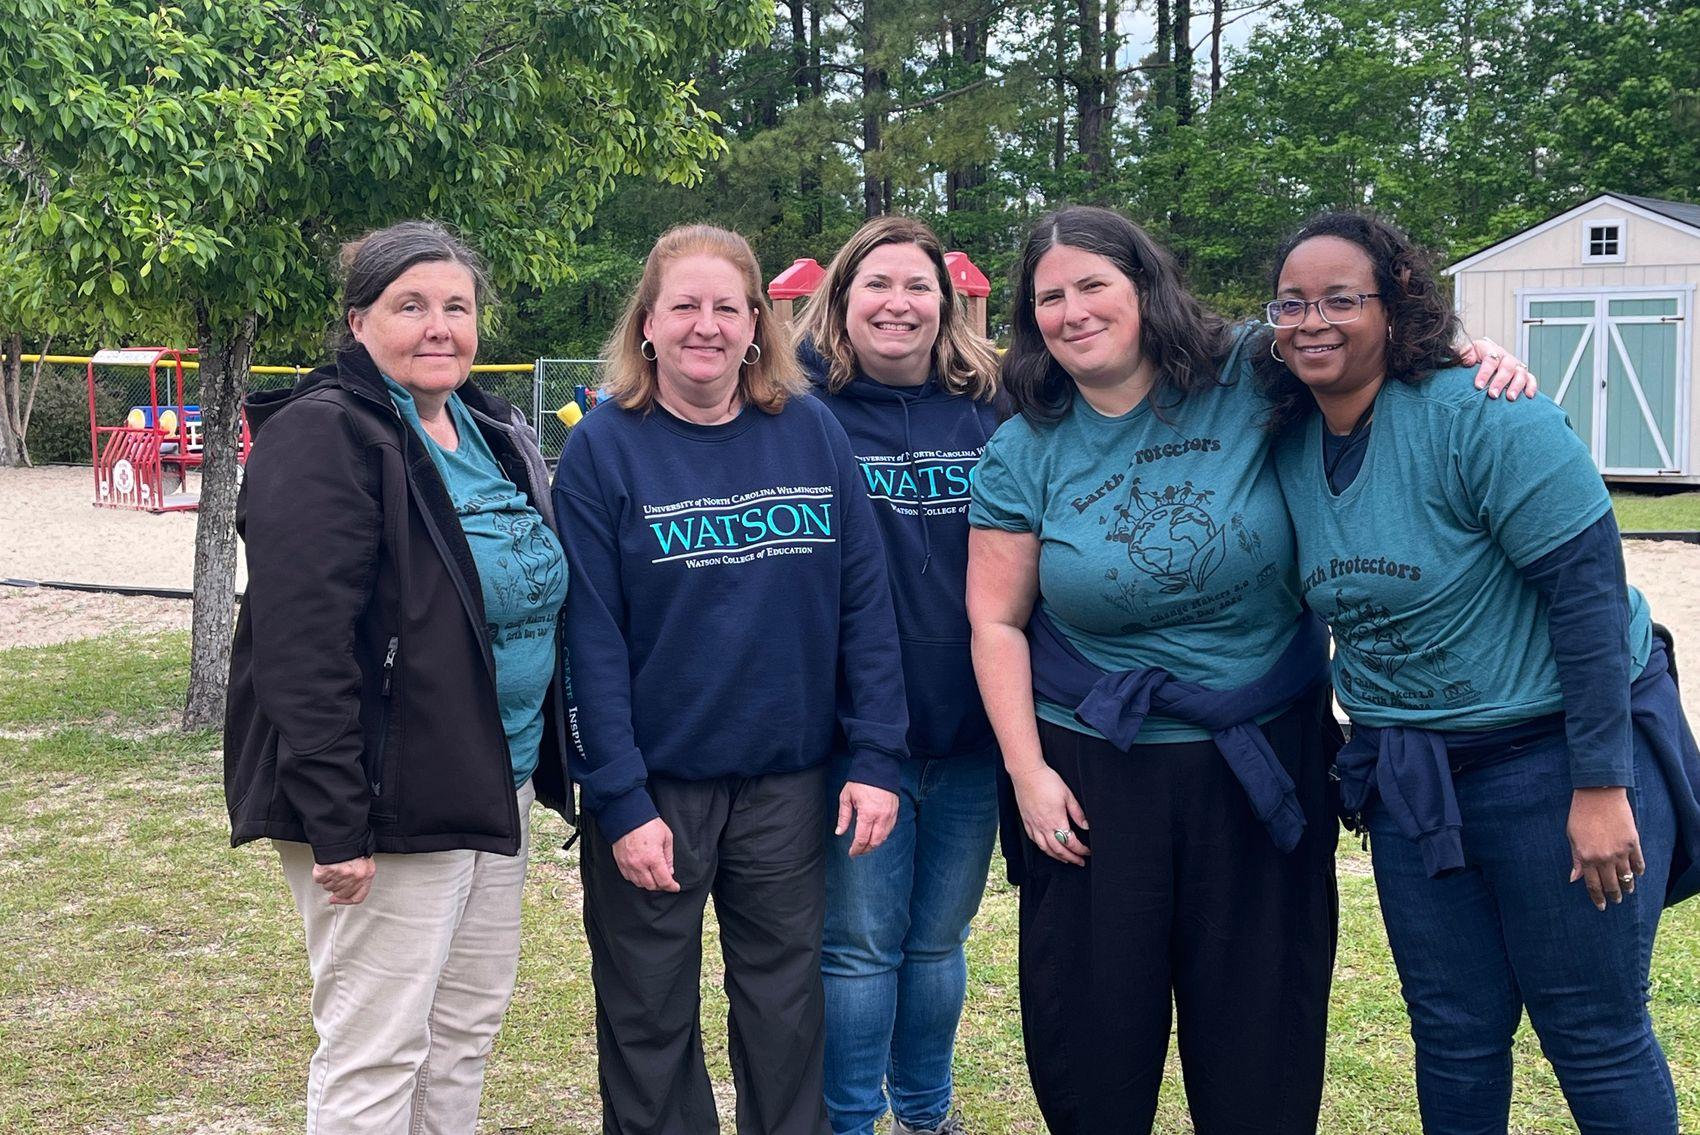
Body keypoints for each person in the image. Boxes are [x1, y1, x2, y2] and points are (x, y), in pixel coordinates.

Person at [964, 204, 1533, 1135]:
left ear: (1144, 288)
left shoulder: (1242, 370)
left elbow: (1352, 338)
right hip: (1094, 767)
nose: (1073, 311)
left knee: (1261, 1033)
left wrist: (1473, 355)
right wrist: (1027, 773)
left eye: (1094, 285)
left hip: (1264, 756)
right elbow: (994, 621)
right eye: (1051, 297)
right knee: (1095, 1040)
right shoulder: (1024, 447)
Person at [1259, 210, 1700, 1135]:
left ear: (1398, 305)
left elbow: (1586, 593)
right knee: (1453, 1032)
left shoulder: (1486, 413)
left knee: (1592, 1029)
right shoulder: (1289, 439)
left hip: (1552, 758)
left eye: (1342, 298)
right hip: (1412, 778)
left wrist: (1600, 783)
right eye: (1291, 303)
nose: (1313, 321)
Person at [555, 223, 910, 1135]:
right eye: (684, 306)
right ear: (647, 324)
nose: (705, 325)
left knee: (786, 1010)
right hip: (658, 787)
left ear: (759, 324)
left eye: (727, 306)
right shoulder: (604, 447)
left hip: (785, 784)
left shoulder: (812, 432)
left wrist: (877, 753)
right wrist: (621, 798)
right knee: (646, 1013)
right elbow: (588, 635)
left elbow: (865, 603)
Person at [224, 220, 573, 1133]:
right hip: (386, 801)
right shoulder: (323, 435)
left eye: (456, 307)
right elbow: (301, 651)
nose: (438, 327)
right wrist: (338, 819)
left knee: (461, 1034)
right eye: (409, 305)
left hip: (496, 784)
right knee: (377, 1049)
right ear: (358, 321)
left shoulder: (488, 430)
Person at [794, 215, 1003, 1135]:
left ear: (945, 303)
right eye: (875, 283)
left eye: (917, 286)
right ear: (842, 299)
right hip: (855, 738)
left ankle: (926, 1112)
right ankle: (849, 1121)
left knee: (936, 944)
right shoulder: (800, 411)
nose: (898, 302)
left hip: (972, 730)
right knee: (860, 948)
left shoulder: (995, 405)